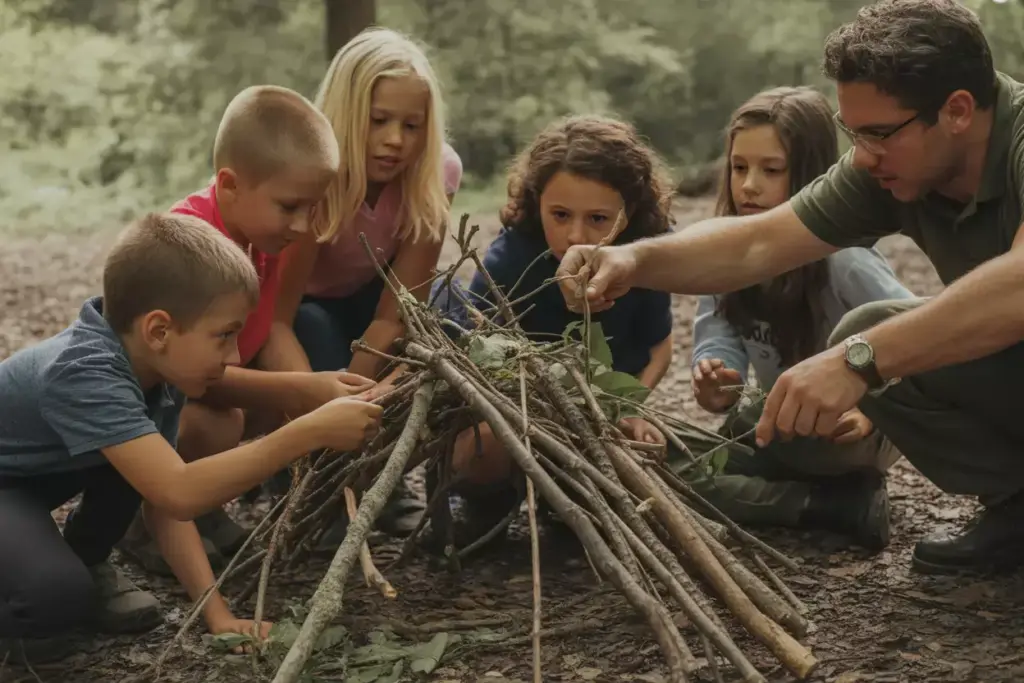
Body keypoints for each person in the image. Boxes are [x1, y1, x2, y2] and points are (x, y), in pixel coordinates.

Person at [556, 0, 1024, 575]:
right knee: (869, 332)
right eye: (853, 133)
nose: (864, 155)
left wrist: (858, 362)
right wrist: (631, 258)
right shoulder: (891, 164)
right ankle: (1014, 506)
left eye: (879, 133)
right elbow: (758, 243)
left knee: (866, 337)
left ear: (956, 111)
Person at [0, 213, 382, 666]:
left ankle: (84, 558)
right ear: (159, 330)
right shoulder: (83, 372)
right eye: (224, 336)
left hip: (32, 478)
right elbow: (179, 492)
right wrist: (307, 431)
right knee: (54, 598)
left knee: (137, 470)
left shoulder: (155, 365)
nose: (235, 356)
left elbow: (163, 500)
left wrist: (215, 615)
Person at [116, 84, 379, 575]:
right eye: (290, 207)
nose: (303, 225)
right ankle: (143, 517)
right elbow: (196, 376)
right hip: (162, 410)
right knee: (219, 423)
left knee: (267, 405)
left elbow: (273, 327)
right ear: (230, 184)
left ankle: (204, 508)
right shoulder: (192, 248)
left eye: (313, 208)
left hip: (215, 384)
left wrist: (312, 392)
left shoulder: (262, 236)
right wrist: (302, 394)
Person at [685, 86, 912, 551]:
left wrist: (867, 413)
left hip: (851, 436)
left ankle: (812, 491)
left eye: (771, 170)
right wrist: (714, 371)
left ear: (812, 175)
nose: (748, 185)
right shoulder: (724, 253)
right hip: (775, 424)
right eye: (739, 167)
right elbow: (719, 328)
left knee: (724, 450)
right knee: (663, 468)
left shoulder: (845, 262)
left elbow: (920, 340)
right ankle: (831, 506)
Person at [432, 114, 675, 541]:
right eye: (559, 215)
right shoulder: (510, 261)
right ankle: (486, 502)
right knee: (482, 446)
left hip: (602, 413)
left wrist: (631, 408)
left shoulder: (646, 257)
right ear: (537, 201)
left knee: (649, 448)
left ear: (630, 211)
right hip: (520, 417)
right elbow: (474, 355)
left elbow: (659, 347)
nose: (574, 234)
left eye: (598, 219)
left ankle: (576, 504)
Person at [274, 27, 464, 538]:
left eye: (412, 124)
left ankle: (382, 470)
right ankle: (312, 474)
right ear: (345, 112)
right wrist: (324, 408)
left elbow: (395, 310)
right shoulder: (313, 174)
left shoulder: (436, 171)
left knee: (441, 322)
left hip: (376, 305)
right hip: (297, 314)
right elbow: (276, 319)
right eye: (379, 120)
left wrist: (361, 402)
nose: (396, 140)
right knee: (315, 327)